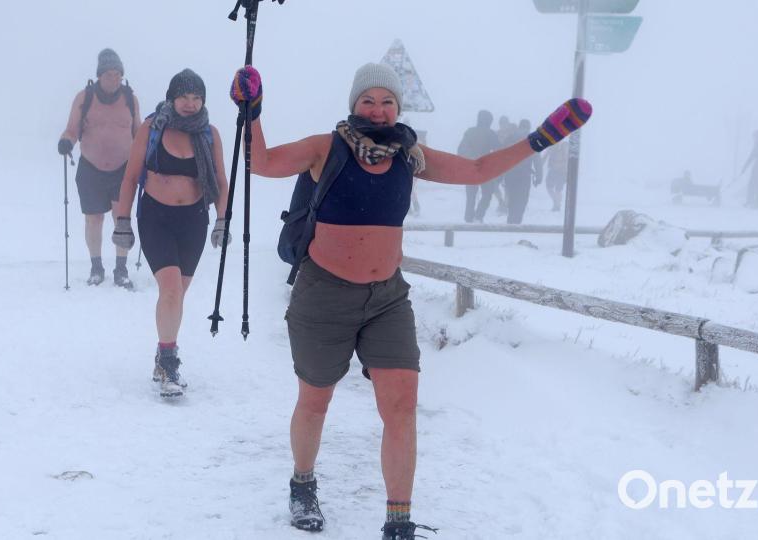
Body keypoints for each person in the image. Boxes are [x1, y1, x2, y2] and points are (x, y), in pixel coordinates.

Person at [230, 62, 591, 538]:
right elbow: (264, 162)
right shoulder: (326, 147)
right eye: (368, 101)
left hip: (387, 299)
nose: (378, 111)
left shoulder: (409, 154)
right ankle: (303, 484)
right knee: (315, 402)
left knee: (401, 407)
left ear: (398, 108)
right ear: (353, 104)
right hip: (324, 295)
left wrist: (540, 139)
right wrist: (250, 111)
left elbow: (478, 171)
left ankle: (398, 521)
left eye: (387, 102)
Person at [111, 69, 230, 398]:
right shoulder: (152, 128)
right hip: (156, 218)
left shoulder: (209, 134)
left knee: (177, 295)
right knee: (172, 291)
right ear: (171, 98)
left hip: (193, 220)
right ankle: (168, 360)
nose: (190, 104)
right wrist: (122, 220)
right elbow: (131, 176)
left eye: (196, 98)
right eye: (184, 97)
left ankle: (163, 350)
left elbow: (221, 181)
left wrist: (221, 220)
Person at [58, 48, 141, 288]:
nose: (113, 79)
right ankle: (96, 267)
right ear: (99, 75)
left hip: (123, 169)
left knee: (121, 218)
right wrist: (66, 142)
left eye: (117, 74)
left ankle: (121, 269)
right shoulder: (84, 98)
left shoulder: (130, 99)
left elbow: (138, 133)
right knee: (94, 219)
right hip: (91, 168)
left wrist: (145, 155)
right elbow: (72, 130)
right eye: (108, 74)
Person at [457, 110, 500, 222]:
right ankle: (479, 216)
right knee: (487, 193)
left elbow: (461, 150)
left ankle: (468, 218)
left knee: (470, 195)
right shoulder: (491, 134)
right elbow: (498, 151)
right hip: (486, 168)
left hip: (471, 167)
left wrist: (469, 160)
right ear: (489, 121)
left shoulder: (469, 132)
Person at [503, 119, 541, 224]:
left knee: (512, 196)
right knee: (522, 198)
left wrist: (499, 174)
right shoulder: (532, 139)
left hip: (510, 172)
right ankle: (517, 220)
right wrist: (539, 176)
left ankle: (511, 219)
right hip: (524, 174)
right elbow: (537, 159)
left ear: (519, 126)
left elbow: (502, 155)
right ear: (528, 128)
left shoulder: (509, 138)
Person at [542, 137, 569, 211]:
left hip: (556, 170)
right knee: (557, 189)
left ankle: (556, 204)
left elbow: (545, 156)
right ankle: (557, 204)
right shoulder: (564, 146)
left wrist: (540, 165)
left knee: (551, 187)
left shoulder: (553, 146)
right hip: (562, 171)